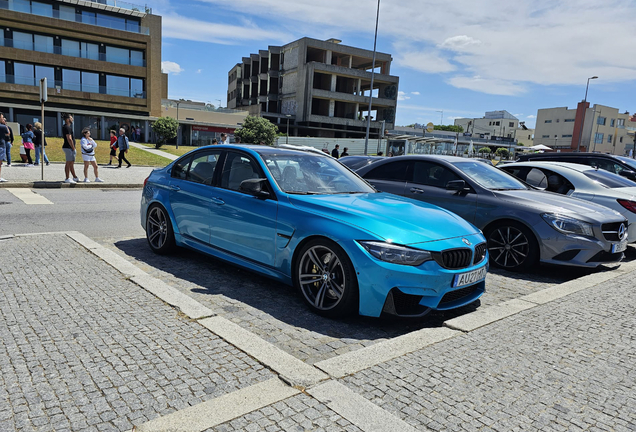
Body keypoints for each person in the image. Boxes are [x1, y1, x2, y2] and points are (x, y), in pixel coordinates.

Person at [62, 114, 79, 183]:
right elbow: (69, 138)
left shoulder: (66, 127)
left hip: (69, 147)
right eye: (71, 118)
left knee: (71, 163)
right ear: (68, 119)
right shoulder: (67, 127)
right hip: (68, 147)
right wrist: (73, 147)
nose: (72, 120)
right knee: (68, 163)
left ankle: (74, 177)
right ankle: (67, 178)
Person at [0, 112, 9, 182]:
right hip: (1, 145)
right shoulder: (2, 126)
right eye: (2, 117)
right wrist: (5, 124)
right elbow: (8, 133)